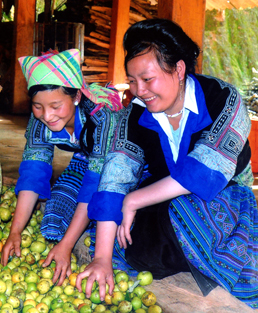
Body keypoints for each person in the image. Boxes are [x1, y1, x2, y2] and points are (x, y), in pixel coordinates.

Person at [76, 18, 258, 309]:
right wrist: (101, 259)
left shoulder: (224, 100)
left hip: (224, 199)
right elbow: (115, 177)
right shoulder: (135, 116)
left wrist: (134, 200)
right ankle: (189, 256)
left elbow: (203, 171)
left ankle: (206, 258)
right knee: (120, 234)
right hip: (164, 196)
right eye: (133, 81)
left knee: (186, 213)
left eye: (147, 79)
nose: (139, 90)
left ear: (179, 69)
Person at [1, 49, 124, 285]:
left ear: (76, 96)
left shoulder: (102, 117)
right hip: (86, 158)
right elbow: (33, 173)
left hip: (121, 166)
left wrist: (67, 245)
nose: (47, 115)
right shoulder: (39, 122)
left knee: (110, 224)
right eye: (38, 106)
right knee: (55, 214)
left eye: (56, 106)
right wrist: (15, 231)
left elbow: (95, 183)